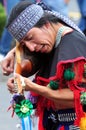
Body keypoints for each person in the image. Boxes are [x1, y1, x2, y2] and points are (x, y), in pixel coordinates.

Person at [1, 1, 86, 130]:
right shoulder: (49, 37)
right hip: (52, 122)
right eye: (24, 44)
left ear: (46, 25)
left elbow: (80, 97)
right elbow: (33, 47)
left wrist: (34, 87)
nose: (31, 47)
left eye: (30, 38)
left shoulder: (73, 46)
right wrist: (13, 53)